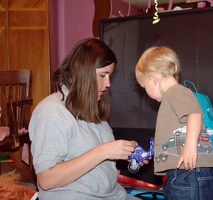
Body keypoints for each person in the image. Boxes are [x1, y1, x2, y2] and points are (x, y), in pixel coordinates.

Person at [29, 38, 145, 200]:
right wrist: (103, 151)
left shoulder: (91, 109)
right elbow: (46, 180)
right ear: (84, 72)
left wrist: (126, 154)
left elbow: (94, 163)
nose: (108, 83)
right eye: (103, 75)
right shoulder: (52, 111)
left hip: (113, 195)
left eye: (109, 75)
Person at [135, 46, 213, 200]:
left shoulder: (175, 92)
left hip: (189, 173)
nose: (145, 92)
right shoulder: (173, 96)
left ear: (154, 79)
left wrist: (190, 147)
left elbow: (195, 114)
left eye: (144, 87)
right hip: (186, 173)